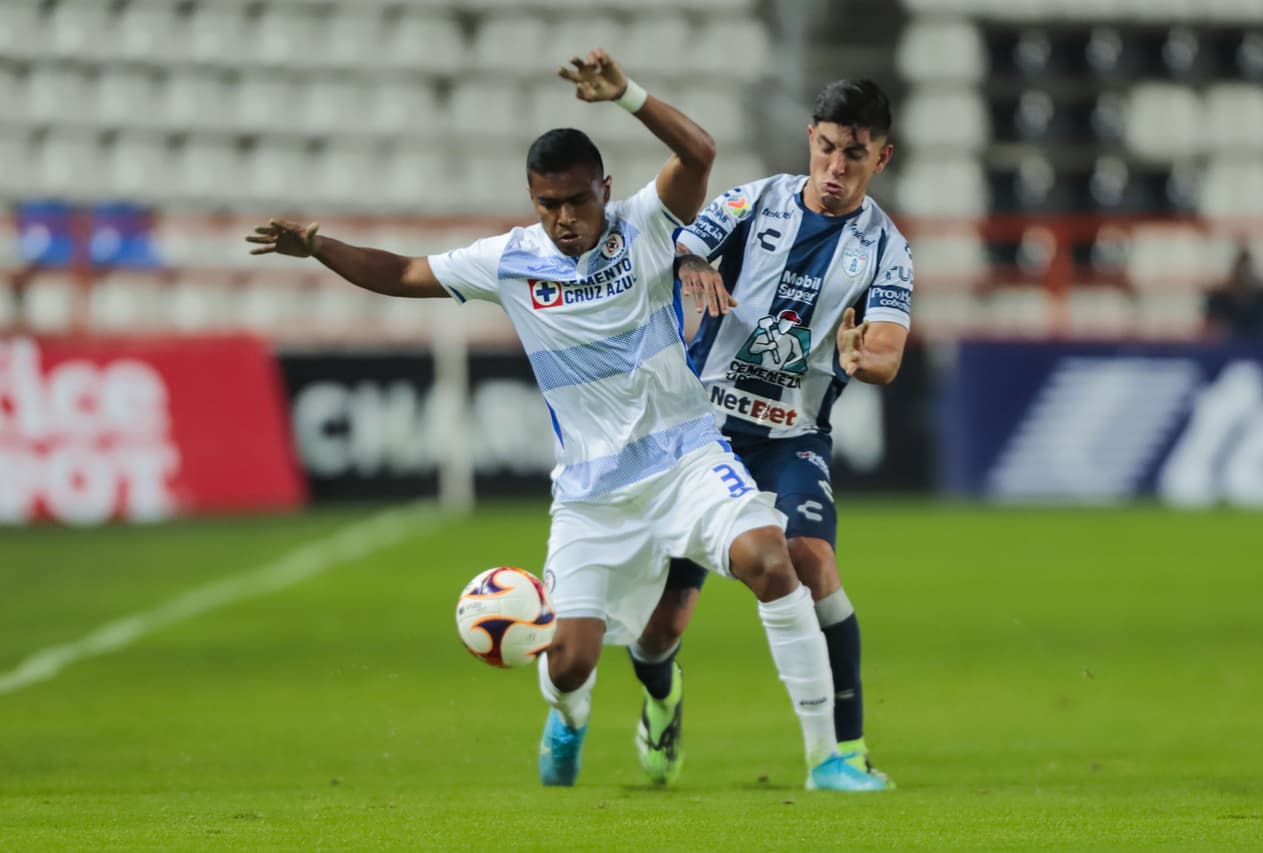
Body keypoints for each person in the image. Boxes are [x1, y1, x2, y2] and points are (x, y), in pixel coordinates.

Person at [245, 50, 875, 792]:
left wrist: (628, 95)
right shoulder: (508, 261)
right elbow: (405, 272)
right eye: (549, 204)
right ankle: (568, 718)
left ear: (604, 189)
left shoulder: (645, 224)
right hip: (591, 496)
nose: (566, 219)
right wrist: (320, 246)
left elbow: (699, 152)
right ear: (532, 198)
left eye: (579, 200)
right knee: (570, 659)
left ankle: (826, 759)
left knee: (773, 563)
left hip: (687, 462)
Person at [627, 79, 912, 792]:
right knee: (659, 628)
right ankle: (662, 696)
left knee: (812, 559)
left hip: (793, 438)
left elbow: (886, 352)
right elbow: (684, 245)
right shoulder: (755, 201)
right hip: (703, 435)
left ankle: (845, 752)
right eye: (827, 147)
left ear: (882, 156)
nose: (837, 166)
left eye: (855, 153)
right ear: (810, 140)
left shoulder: (887, 248)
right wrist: (694, 266)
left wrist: (859, 358)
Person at [1202, 247, 1263, 342]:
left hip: (1259, 346)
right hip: (1226, 347)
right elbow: (1213, 329)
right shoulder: (1218, 297)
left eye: (1247, 271)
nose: (1243, 276)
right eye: (1240, 270)